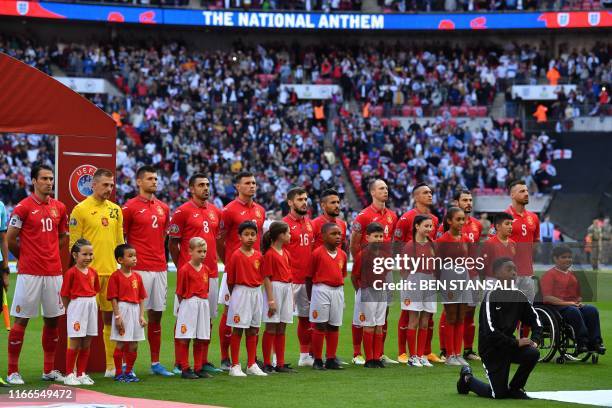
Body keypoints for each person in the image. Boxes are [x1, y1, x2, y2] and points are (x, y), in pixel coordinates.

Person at [6, 164, 68, 385]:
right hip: (30, 273)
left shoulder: (59, 207)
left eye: (51, 178)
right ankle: (13, 371)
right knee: (21, 319)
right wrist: (26, 257)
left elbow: (62, 237)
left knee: (53, 321)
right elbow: (10, 238)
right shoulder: (23, 207)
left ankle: (48, 370)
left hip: (53, 272)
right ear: (33, 181)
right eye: (44, 178)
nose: (49, 182)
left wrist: (50, 253)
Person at [457, 257, 543, 400]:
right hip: (492, 349)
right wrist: (516, 343)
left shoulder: (519, 296)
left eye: (515, 269)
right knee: (498, 394)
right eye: (509, 270)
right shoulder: (491, 296)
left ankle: (516, 388)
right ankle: (467, 379)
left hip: (509, 346)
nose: (514, 273)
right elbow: (490, 332)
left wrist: (535, 339)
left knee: (532, 353)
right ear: (497, 274)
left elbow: (536, 320)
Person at [69, 168, 124, 377]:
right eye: (105, 185)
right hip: (87, 276)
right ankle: (73, 369)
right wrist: (82, 269)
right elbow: (73, 245)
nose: (109, 189)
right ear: (93, 185)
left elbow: (120, 244)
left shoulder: (116, 210)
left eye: (111, 185)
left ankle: (111, 367)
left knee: (110, 319)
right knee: (81, 322)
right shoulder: (80, 209)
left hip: (111, 274)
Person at [168, 174, 222, 375]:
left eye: (207, 184)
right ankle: (179, 362)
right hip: (190, 274)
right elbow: (173, 243)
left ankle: (203, 361)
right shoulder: (182, 212)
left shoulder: (216, 211)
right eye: (201, 185)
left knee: (207, 319)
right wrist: (184, 265)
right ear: (191, 188)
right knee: (183, 318)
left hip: (211, 273)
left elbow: (217, 241)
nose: (206, 188)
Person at [122, 165, 173, 377]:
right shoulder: (129, 207)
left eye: (156, 178)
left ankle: (155, 363)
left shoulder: (163, 208)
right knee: (134, 316)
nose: (154, 182)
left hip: (159, 268)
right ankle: (127, 365)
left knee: (156, 315)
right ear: (139, 182)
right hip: (139, 269)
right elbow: (122, 238)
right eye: (150, 178)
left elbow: (164, 236)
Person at [217, 171, 266, 371]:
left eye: (254, 182)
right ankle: (224, 357)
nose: (252, 186)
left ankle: (252, 360)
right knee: (229, 313)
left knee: (253, 318)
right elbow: (220, 239)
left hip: (253, 269)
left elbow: (260, 238)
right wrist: (228, 261)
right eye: (247, 183)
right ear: (237, 186)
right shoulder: (228, 210)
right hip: (234, 269)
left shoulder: (260, 210)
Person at [350, 179, 398, 366]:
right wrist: (363, 264)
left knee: (383, 311)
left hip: (384, 267)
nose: (385, 191)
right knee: (361, 313)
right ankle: (357, 352)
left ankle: (379, 353)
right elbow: (354, 242)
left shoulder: (392, 216)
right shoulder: (363, 216)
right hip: (367, 270)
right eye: (381, 188)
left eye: (386, 187)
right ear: (372, 192)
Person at [394, 183, 441, 364]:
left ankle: (423, 354)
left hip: (428, 279)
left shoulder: (434, 223)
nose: (429, 195)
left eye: (431, 192)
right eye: (425, 192)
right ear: (415, 196)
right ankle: (405, 353)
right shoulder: (406, 219)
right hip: (413, 278)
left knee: (426, 319)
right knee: (410, 316)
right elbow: (397, 247)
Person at [437, 190, 483, 362]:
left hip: (468, 276)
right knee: (450, 314)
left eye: (470, 200)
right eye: (465, 200)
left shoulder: (472, 229)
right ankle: (447, 352)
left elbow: (473, 253)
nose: (469, 203)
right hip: (450, 278)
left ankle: (463, 351)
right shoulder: (443, 234)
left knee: (465, 315)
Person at [540, 246, 605, 355]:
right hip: (555, 307)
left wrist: (578, 301)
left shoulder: (573, 275)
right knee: (573, 311)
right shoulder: (549, 275)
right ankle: (582, 342)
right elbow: (547, 298)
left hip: (571, 305)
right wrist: (569, 303)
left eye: (570, 257)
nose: (568, 259)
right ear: (555, 259)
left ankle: (596, 343)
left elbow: (578, 295)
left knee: (591, 310)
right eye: (564, 257)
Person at [226, 221, 267, 377]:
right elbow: (230, 280)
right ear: (239, 236)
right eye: (246, 234)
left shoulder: (258, 255)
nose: (250, 238)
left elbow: (262, 275)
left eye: (253, 234)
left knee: (253, 328)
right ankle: (235, 365)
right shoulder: (236, 255)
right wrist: (235, 295)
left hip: (256, 292)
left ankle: (251, 364)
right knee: (238, 328)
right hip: (241, 292)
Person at [307, 223, 347, 370]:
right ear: (323, 236)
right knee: (320, 325)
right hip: (321, 289)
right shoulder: (317, 253)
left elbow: (342, 275)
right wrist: (311, 297)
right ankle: (317, 360)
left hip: (337, 290)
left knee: (334, 325)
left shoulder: (342, 254)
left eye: (339, 234)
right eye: (333, 234)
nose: (338, 237)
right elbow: (309, 277)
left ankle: (331, 359)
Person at [282, 187, 314, 367]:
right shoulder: (283, 224)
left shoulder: (309, 223)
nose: (304, 202)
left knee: (305, 318)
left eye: (305, 199)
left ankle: (304, 356)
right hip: (289, 279)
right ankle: (276, 358)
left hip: (307, 279)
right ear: (290, 202)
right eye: (300, 199)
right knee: (281, 319)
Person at [61, 239, 100, 386]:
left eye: (90, 254)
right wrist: (70, 309)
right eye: (85, 254)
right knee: (75, 341)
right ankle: (69, 374)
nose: (88, 257)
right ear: (75, 255)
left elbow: (96, 289)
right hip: (77, 306)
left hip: (91, 305)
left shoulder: (93, 272)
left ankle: (81, 373)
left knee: (87, 341)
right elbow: (64, 294)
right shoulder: (71, 273)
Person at [436, 207, 471, 367]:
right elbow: (437, 264)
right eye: (458, 219)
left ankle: (458, 353)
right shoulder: (442, 241)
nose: (462, 222)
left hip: (463, 277)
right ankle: (450, 354)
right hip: (449, 278)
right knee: (451, 317)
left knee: (461, 317)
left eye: (463, 219)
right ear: (449, 221)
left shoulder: (465, 238)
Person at [107, 244, 147, 383]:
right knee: (121, 342)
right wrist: (118, 316)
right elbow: (113, 298)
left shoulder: (137, 277)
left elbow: (141, 297)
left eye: (135, 255)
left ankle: (129, 371)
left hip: (135, 310)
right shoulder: (115, 276)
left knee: (134, 344)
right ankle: (118, 373)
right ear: (120, 260)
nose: (134, 258)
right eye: (130, 256)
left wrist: (141, 315)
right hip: (123, 310)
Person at [174, 237, 213, 379]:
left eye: (204, 251)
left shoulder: (206, 269)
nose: (202, 254)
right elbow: (179, 292)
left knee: (200, 337)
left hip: (203, 304)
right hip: (189, 304)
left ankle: (198, 367)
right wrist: (183, 308)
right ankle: (185, 368)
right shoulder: (185, 269)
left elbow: (206, 289)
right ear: (190, 251)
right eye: (199, 251)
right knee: (186, 336)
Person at [401, 215, 436, 368]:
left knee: (425, 321)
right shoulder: (410, 246)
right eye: (426, 226)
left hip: (430, 282)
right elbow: (404, 270)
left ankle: (422, 355)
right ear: (417, 226)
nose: (429, 229)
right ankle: (412, 356)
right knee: (413, 321)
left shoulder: (433, 244)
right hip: (414, 282)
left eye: (431, 226)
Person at [261, 221, 295, 373]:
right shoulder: (269, 254)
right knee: (271, 326)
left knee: (282, 326)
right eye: (287, 232)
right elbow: (267, 278)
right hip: (275, 289)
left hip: (286, 288)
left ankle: (280, 363)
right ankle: (268, 362)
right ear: (280, 235)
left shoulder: (286, 253)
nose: (290, 235)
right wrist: (270, 300)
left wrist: (292, 297)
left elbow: (289, 276)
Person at [352, 222, 387, 369]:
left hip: (381, 292)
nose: (379, 239)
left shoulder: (385, 255)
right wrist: (360, 291)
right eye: (375, 236)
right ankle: (369, 358)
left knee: (379, 325)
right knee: (368, 325)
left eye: (381, 236)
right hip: (367, 292)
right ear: (367, 237)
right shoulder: (363, 255)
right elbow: (354, 276)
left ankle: (377, 357)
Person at [506, 180, 540, 305]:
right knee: (509, 313)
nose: (526, 194)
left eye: (526, 191)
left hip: (527, 274)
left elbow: (536, 242)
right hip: (508, 274)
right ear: (512, 195)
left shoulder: (534, 218)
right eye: (522, 191)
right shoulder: (504, 216)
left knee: (528, 312)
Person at [481, 213, 517, 281]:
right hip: (492, 280)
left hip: (509, 281)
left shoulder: (513, 243)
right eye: (507, 224)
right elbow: (483, 265)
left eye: (511, 224)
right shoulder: (489, 243)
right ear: (498, 227)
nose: (510, 227)